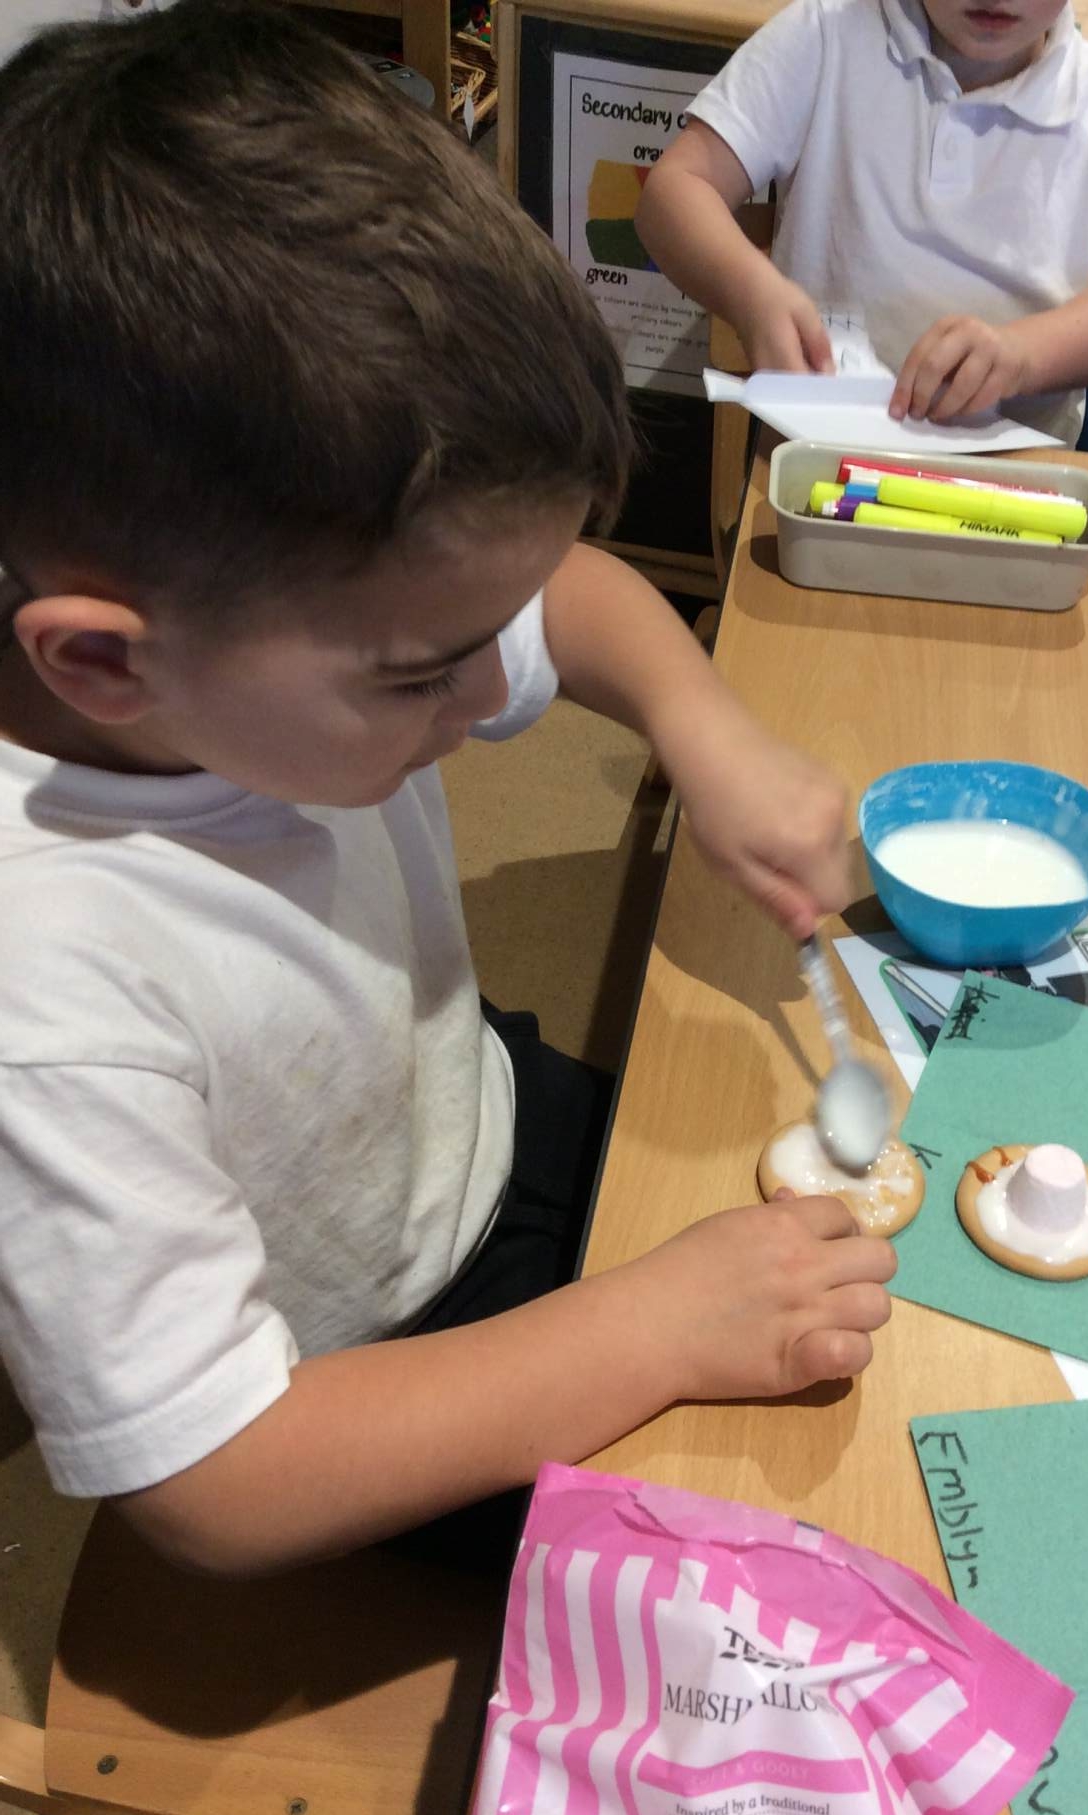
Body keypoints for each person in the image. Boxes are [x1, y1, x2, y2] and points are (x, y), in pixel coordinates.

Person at [0, 0, 896, 1577]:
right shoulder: (44, 986)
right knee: (823, 1555)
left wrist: (706, 728)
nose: (489, 703)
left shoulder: (264, 646)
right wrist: (655, 1326)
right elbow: (220, 1484)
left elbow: (572, 601)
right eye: (425, 674)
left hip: (460, 1112)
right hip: (374, 1380)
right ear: (101, 664)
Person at [637, 0, 1088, 445]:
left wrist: (1022, 354)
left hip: (1018, 469)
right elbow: (674, 190)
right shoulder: (827, 32)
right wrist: (750, 294)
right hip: (818, 448)